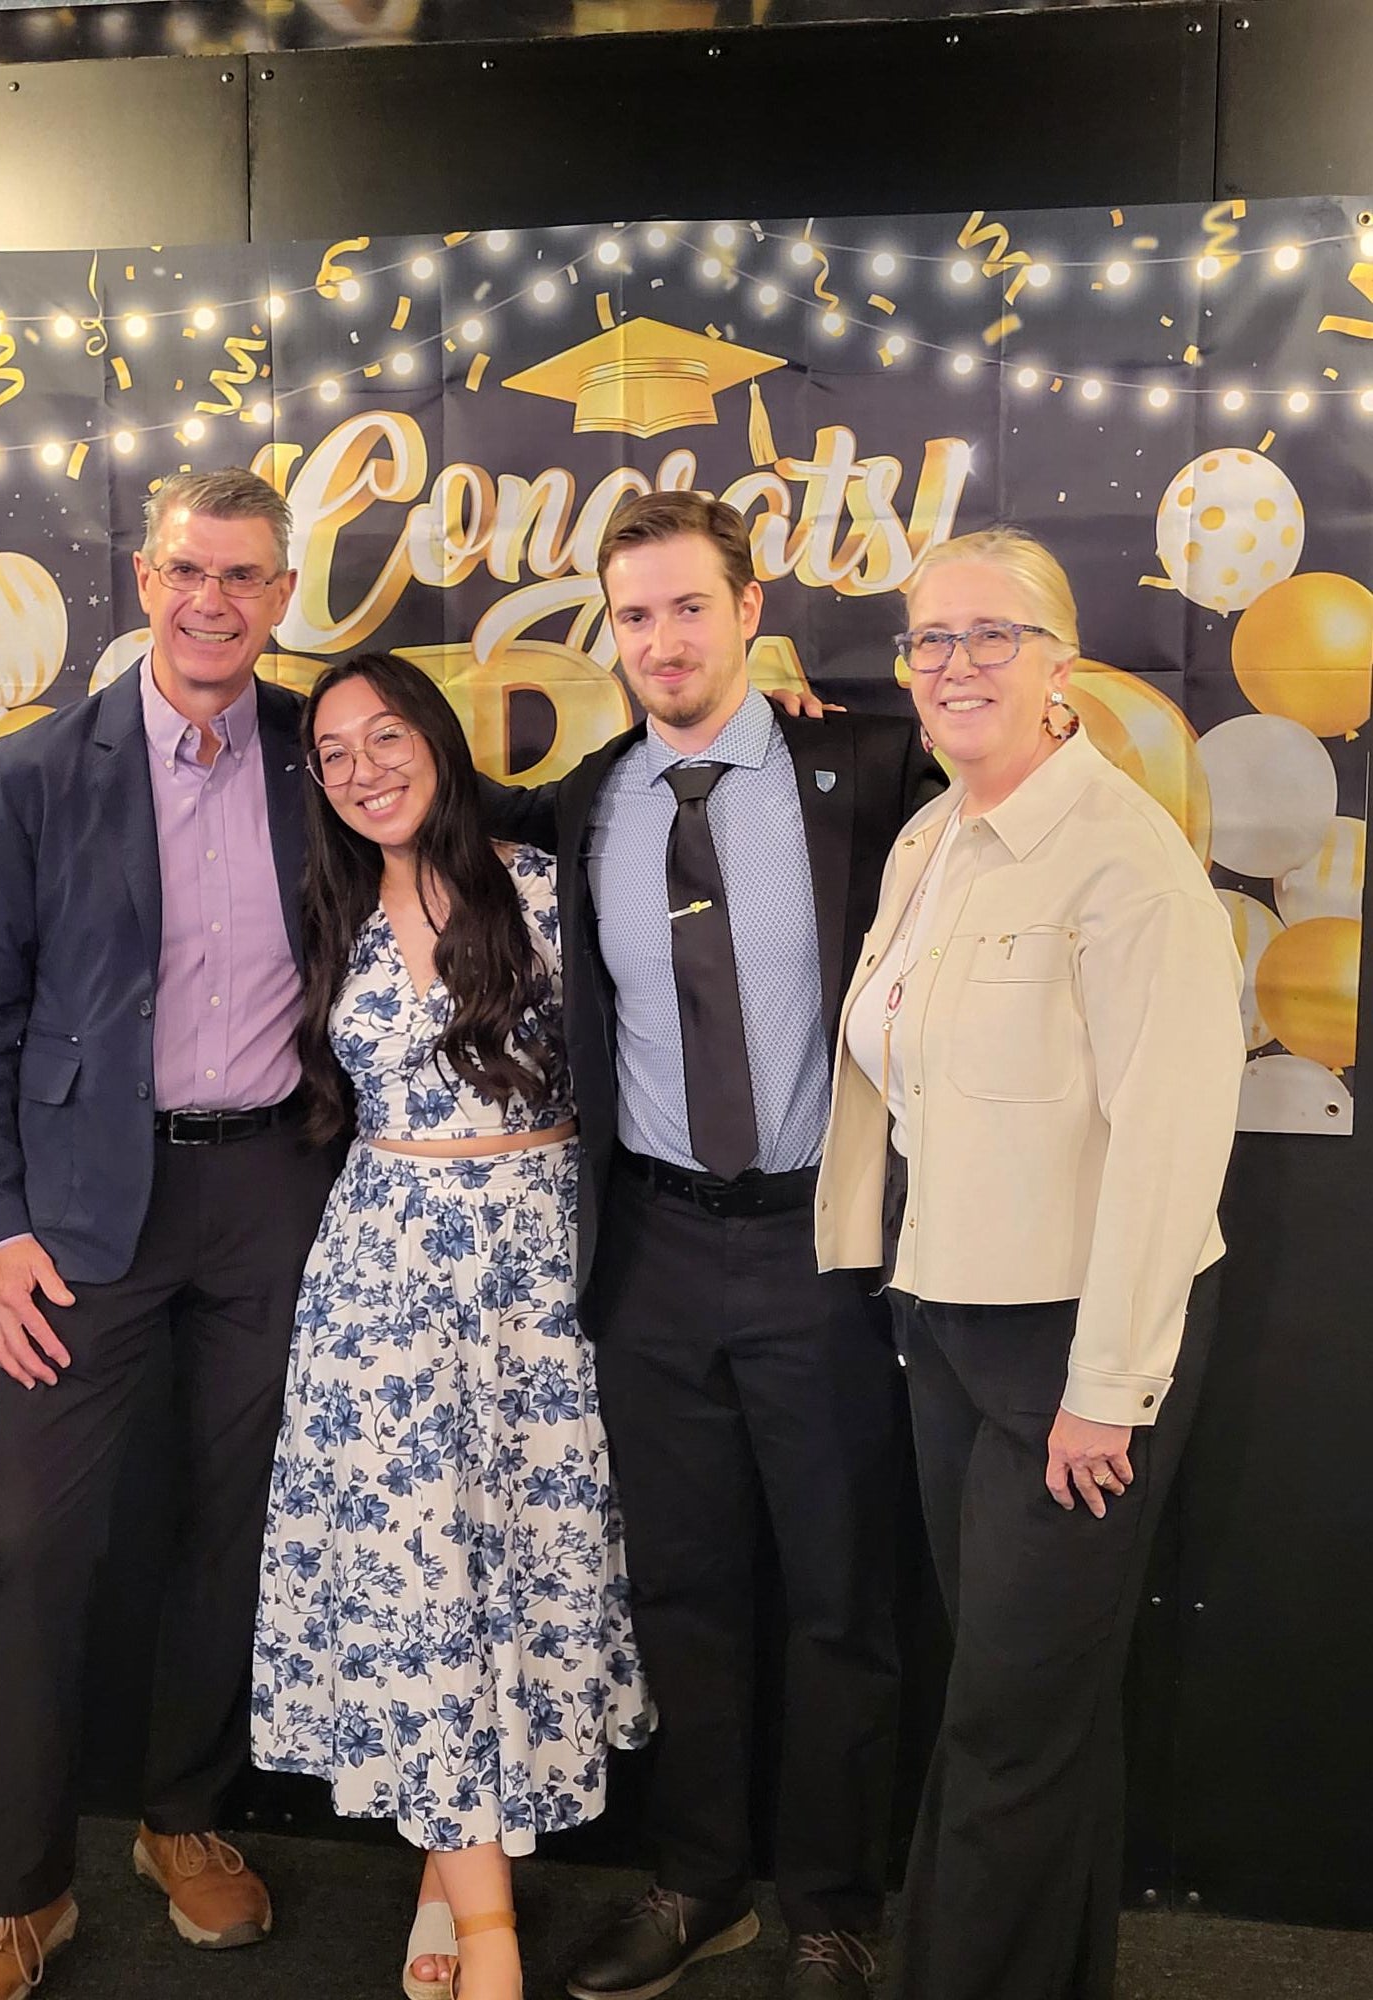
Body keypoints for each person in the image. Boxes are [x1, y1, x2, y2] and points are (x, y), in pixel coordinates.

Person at [472, 491, 942, 2000]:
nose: (662, 640)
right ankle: (699, 1882)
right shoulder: (593, 799)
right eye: (634, 616)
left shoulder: (866, 765)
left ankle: (831, 1902)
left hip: (823, 1242)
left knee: (838, 1595)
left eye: (690, 607)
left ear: (753, 614)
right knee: (679, 1587)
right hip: (655, 1254)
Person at [0, 468, 340, 1999]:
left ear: (280, 595)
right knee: (38, 1546)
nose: (212, 601)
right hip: (84, 1217)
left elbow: (482, 832)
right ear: (145, 579)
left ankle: (185, 1820)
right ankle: (20, 1894)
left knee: (232, 1526)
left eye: (243, 576)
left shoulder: (324, 752)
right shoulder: (41, 770)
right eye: (185, 571)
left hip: (272, 1198)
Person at [814, 527, 1245, 2000]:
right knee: (1036, 1713)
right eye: (930, 640)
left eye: (991, 635)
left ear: (1063, 666)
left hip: (1078, 1353)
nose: (955, 665)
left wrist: (1108, 1389)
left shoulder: (1125, 862)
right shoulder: (932, 842)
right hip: (946, 1324)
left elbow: (1172, 1146)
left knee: (1006, 1719)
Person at [251, 653, 651, 2000]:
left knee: (513, 1580)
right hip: (385, 1284)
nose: (363, 768)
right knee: (423, 1589)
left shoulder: (545, 887)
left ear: (439, 735)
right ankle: (493, 1938)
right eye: (333, 752)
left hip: (537, 1270)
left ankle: (449, 1868)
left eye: (386, 735)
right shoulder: (319, 916)